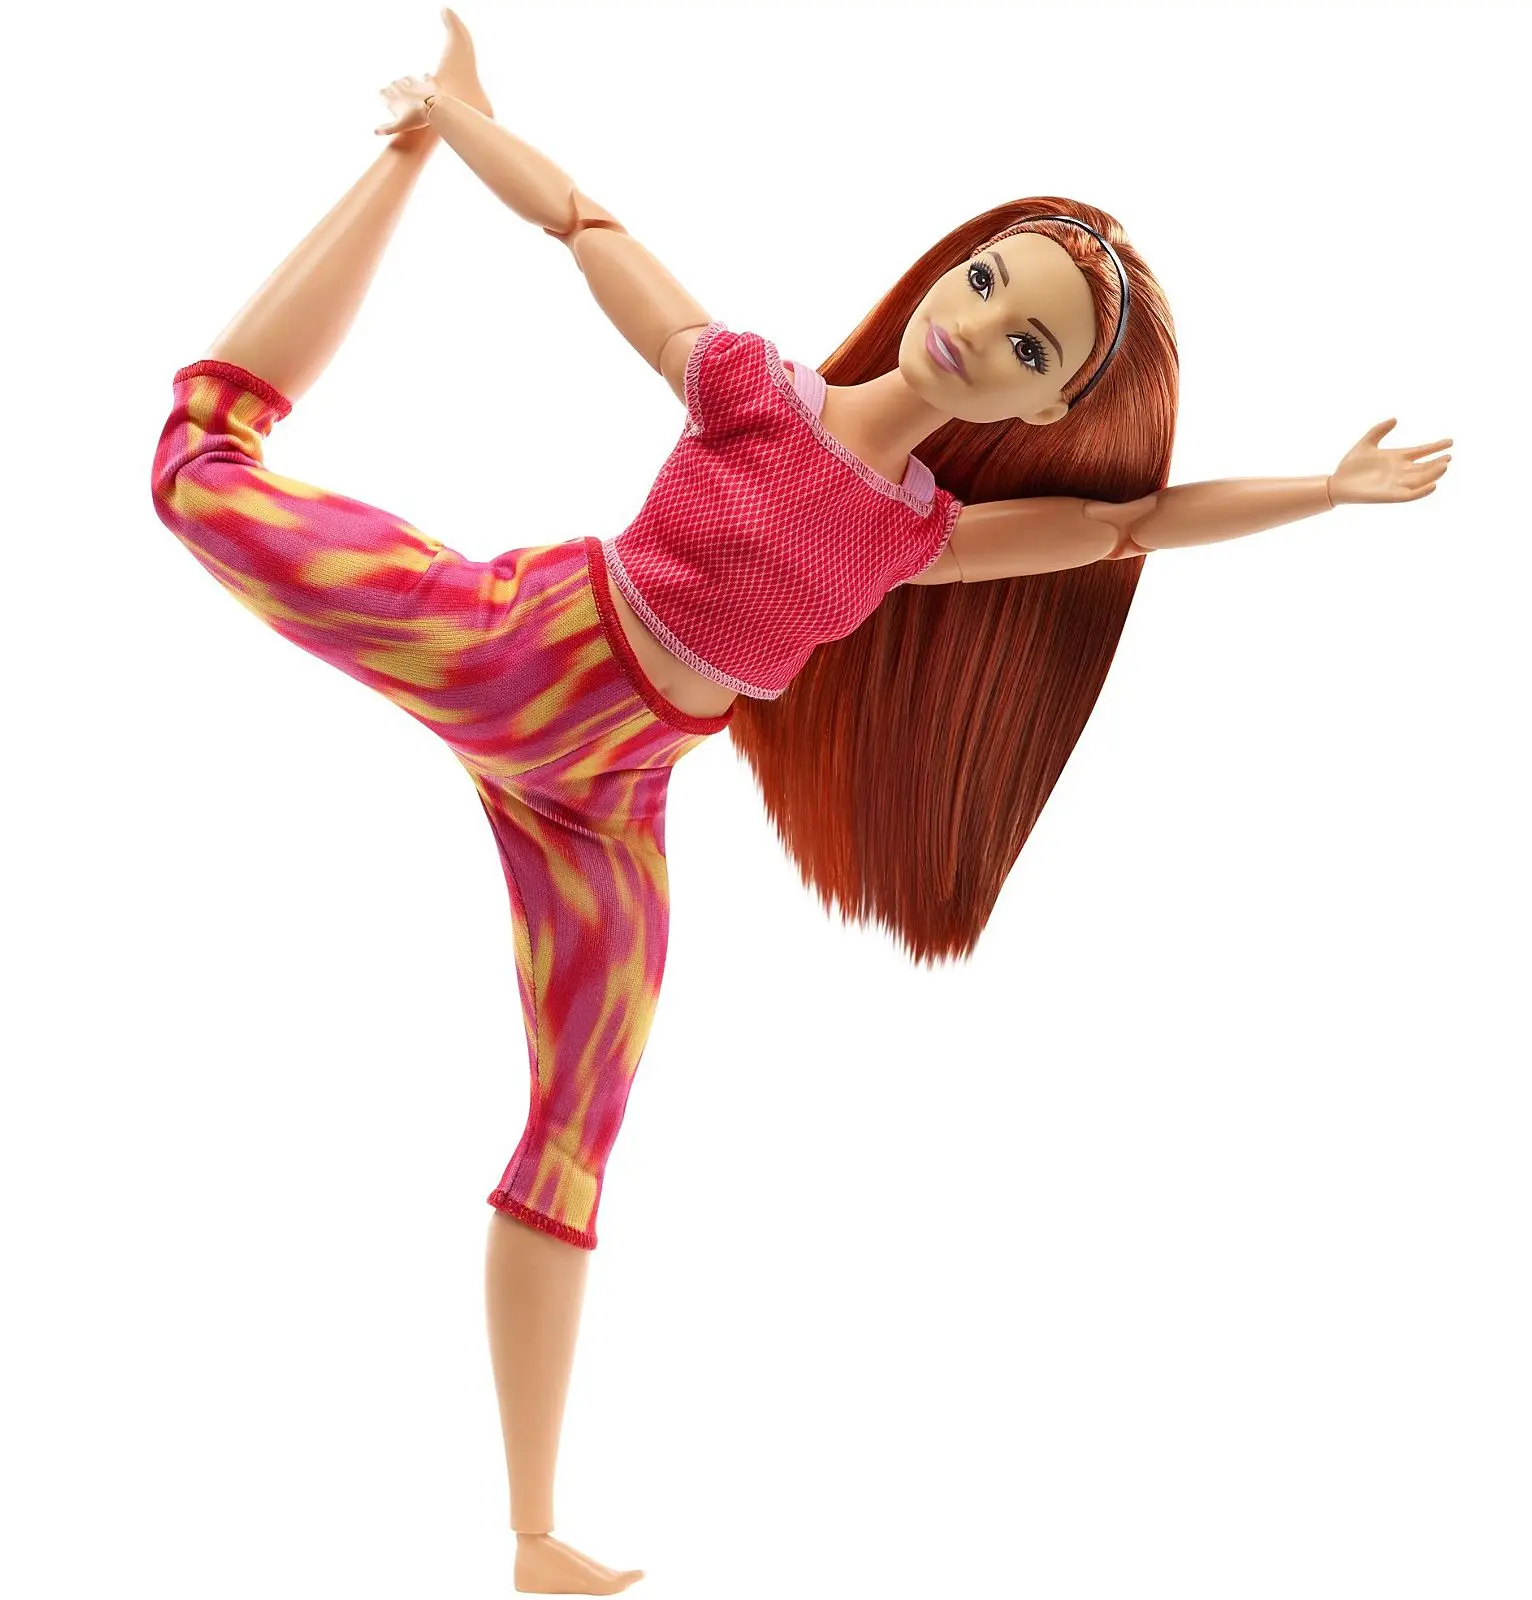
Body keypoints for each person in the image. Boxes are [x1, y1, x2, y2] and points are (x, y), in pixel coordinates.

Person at [148, 12, 1452, 1591]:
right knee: (195, 471)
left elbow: (1132, 526)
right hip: (509, 649)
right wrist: (452, 124)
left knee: (573, 1135)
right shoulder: (751, 389)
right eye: (988, 284)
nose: (983, 329)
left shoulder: (919, 536)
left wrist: (1325, 490)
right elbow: (585, 227)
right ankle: (390, 170)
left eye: (1029, 350)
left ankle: (533, 1535)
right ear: (944, 270)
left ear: (1041, 415)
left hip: (607, 803)